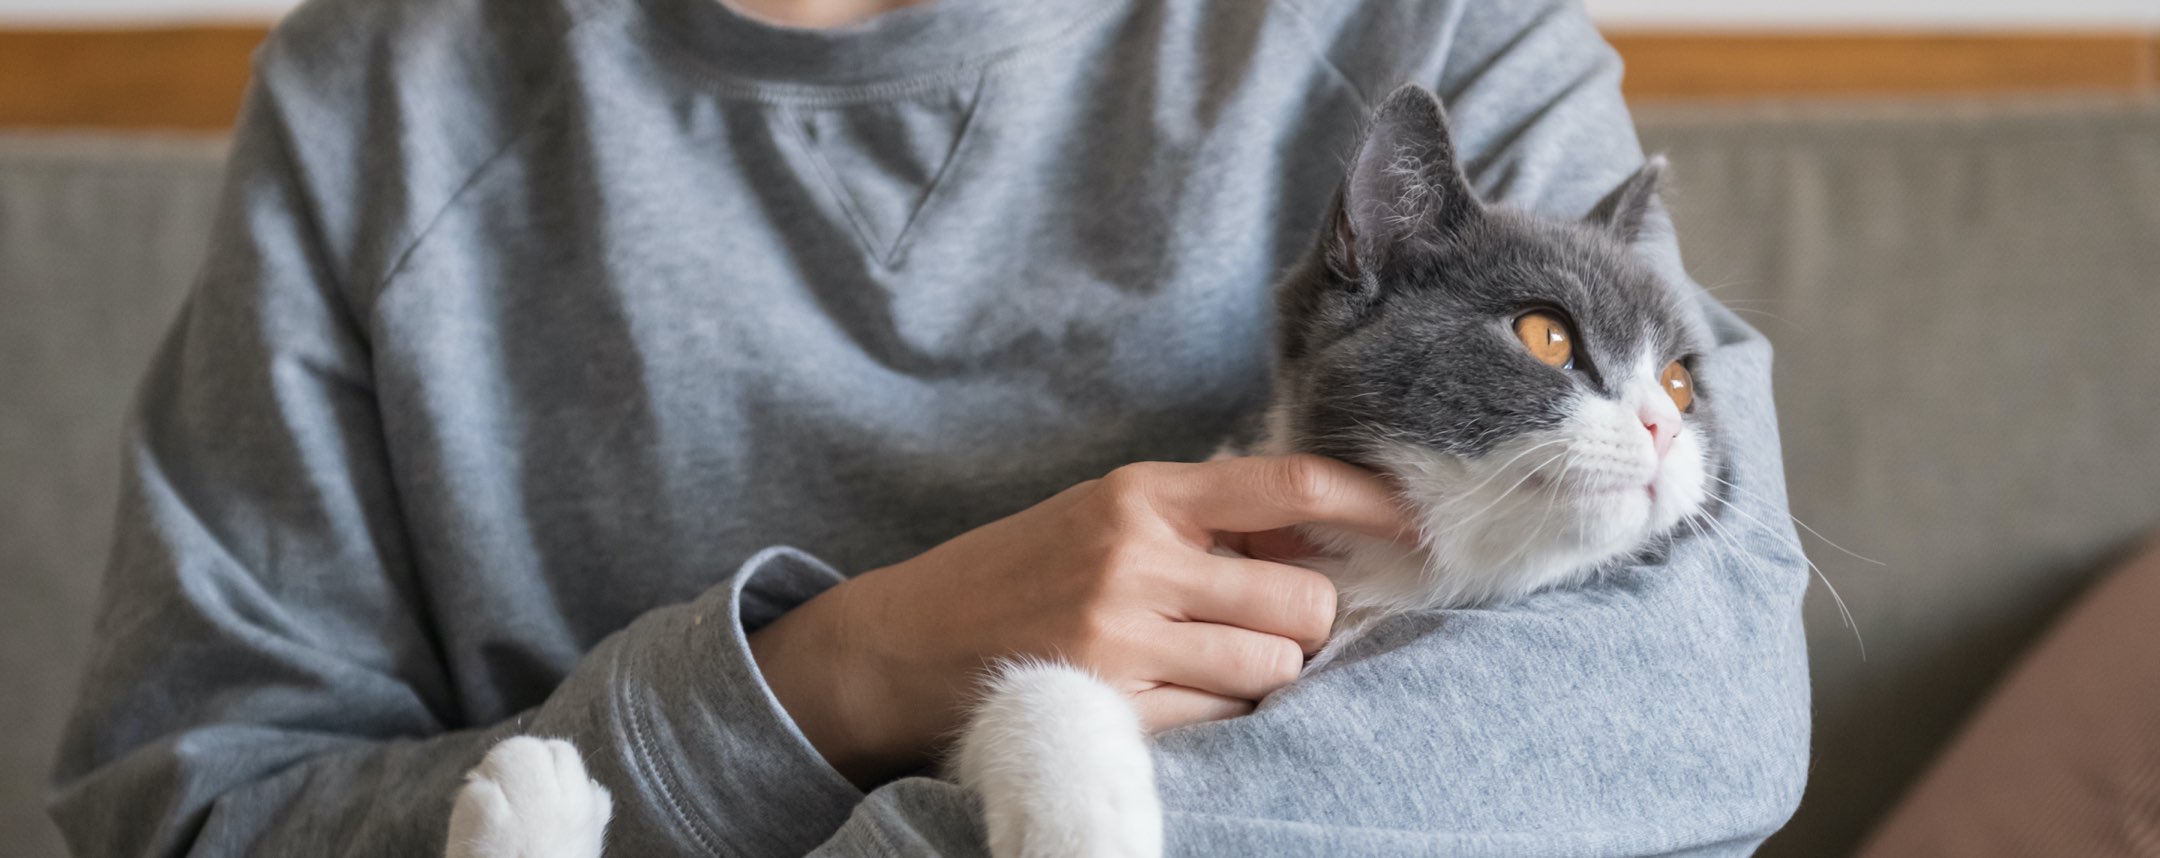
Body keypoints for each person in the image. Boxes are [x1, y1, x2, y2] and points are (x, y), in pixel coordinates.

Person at [49, 0, 1813, 854]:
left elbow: (1706, 657)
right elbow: (192, 810)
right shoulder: (387, 96)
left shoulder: (1412, 25)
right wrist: (821, 681)